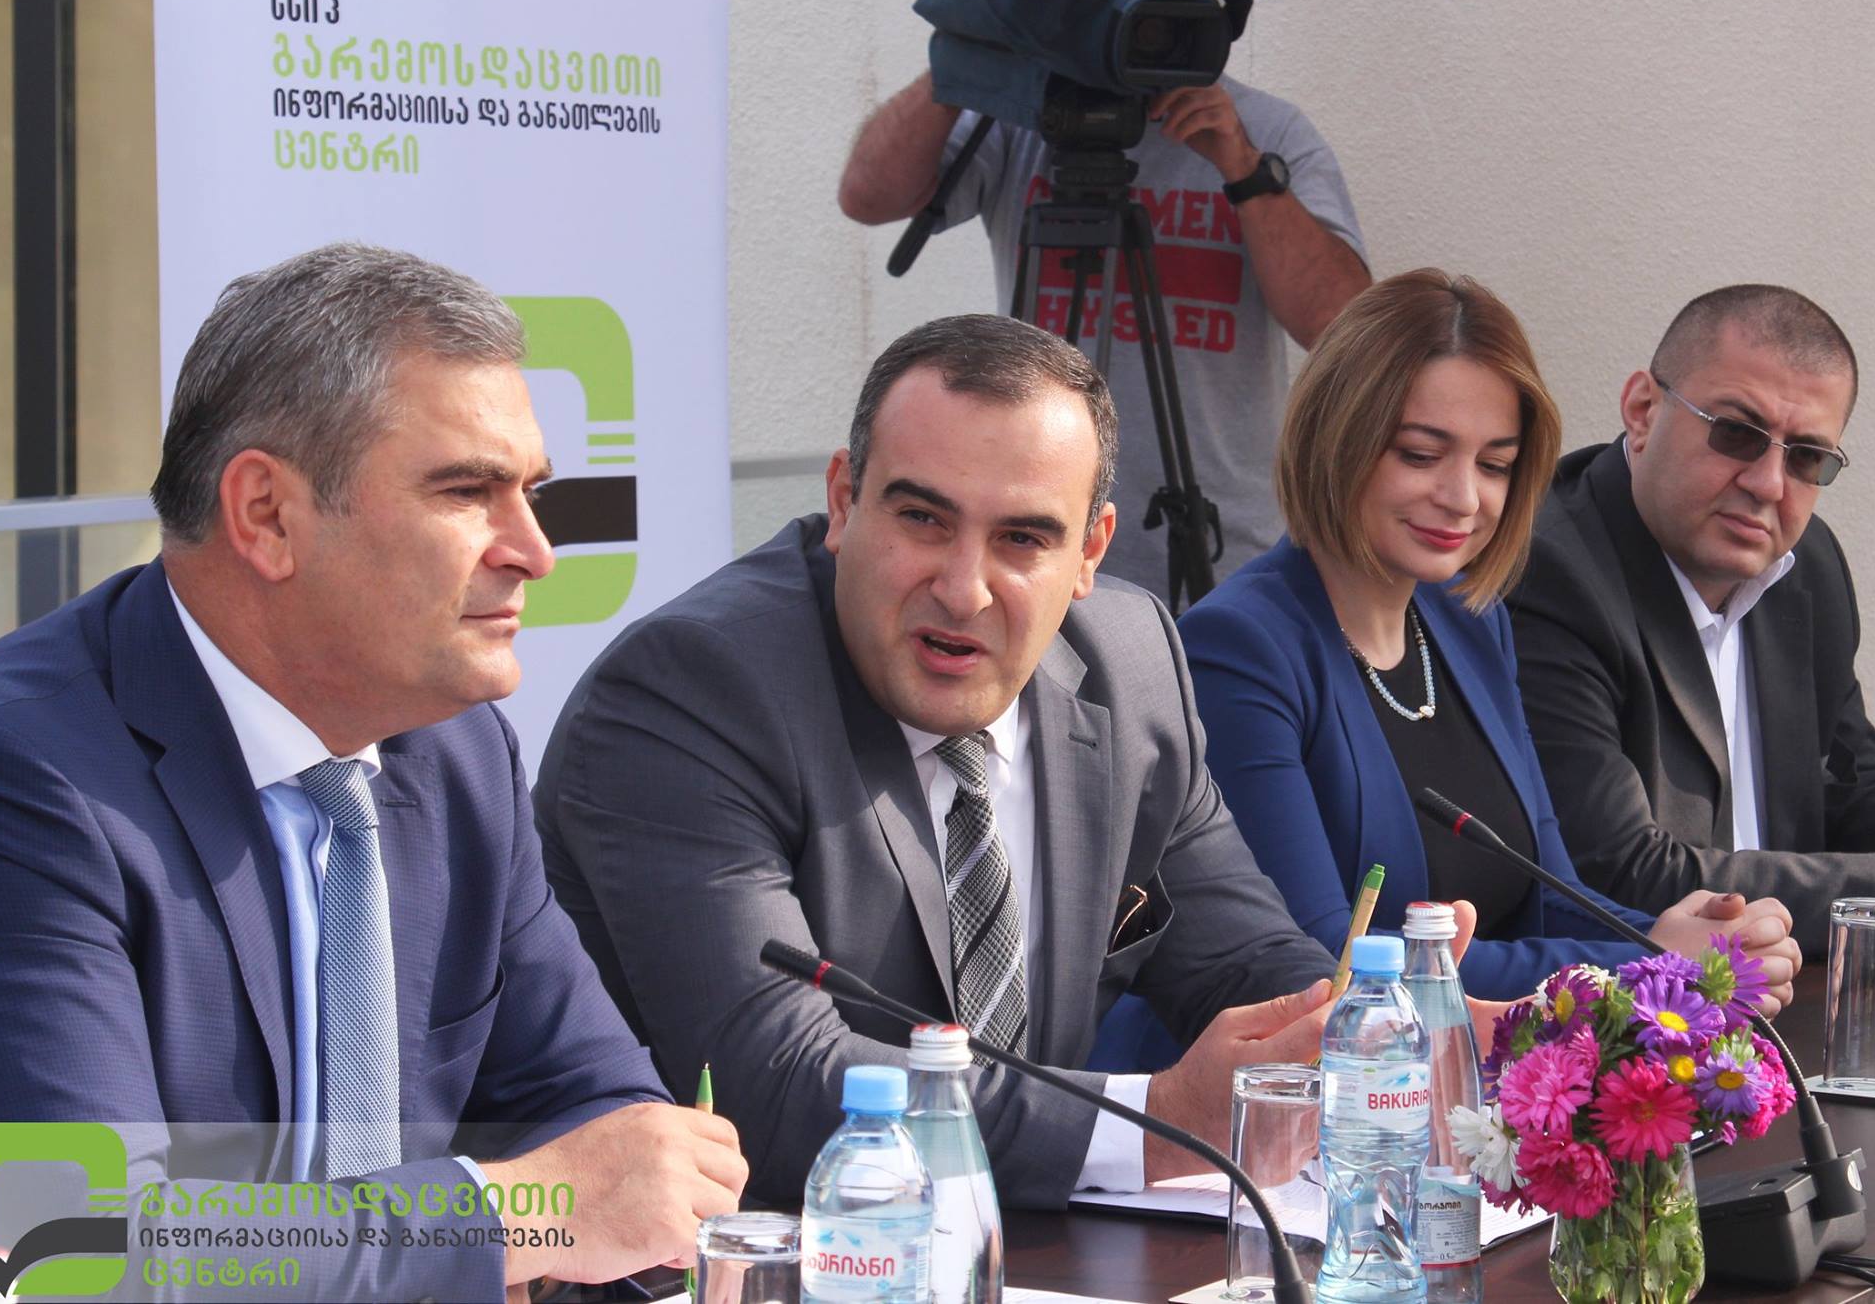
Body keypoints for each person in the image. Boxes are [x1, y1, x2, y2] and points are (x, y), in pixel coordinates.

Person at [0, 243, 746, 1300]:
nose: (534, 551)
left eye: (529, 491)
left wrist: (606, 1206)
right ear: (267, 515)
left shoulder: (458, 749)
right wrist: (512, 1217)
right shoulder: (7, 784)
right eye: (467, 491)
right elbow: (71, 1248)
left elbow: (594, 1112)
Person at [535, 313, 1495, 1210]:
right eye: (922, 519)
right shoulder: (693, 691)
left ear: (1090, 551)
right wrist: (1160, 1120)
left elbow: (1241, 957)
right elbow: (773, 1082)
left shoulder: (1131, 665)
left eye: (1023, 538)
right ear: (843, 500)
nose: (964, 589)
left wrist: (1358, 1024)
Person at [1173, 270, 1802, 1008]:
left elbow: (1550, 894)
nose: (1463, 497)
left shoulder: (1470, 617)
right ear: (1333, 439)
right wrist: (1648, 965)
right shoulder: (1237, 647)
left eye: (1495, 464)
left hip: (1478, 1064)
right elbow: (1327, 965)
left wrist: (1690, 937)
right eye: (1420, 454)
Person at [1505, 284, 1875, 956]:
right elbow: (1619, 873)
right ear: (1643, 411)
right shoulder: (1548, 570)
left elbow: (1852, 786)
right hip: (1636, 1007)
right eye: (1737, 433)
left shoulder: (1808, 565)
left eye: (1807, 457)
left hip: (1791, 989)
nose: (1768, 483)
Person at [838, 71, 1370, 601]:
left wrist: (1245, 169)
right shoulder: (1017, 121)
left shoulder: (1263, 130)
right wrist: (968, 57)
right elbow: (867, 196)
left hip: (1215, 548)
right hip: (1028, 541)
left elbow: (1341, 325)